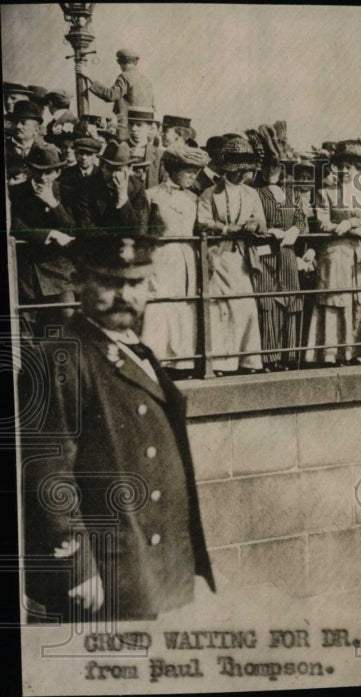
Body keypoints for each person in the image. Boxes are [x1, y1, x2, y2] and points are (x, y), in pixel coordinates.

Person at [20, 224, 215, 622]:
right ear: (78, 281)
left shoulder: (135, 349)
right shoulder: (60, 355)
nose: (125, 295)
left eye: (136, 282)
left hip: (150, 557)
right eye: (109, 282)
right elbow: (48, 472)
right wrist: (76, 566)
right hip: (107, 567)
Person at [195, 134, 266, 374]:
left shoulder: (251, 194)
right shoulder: (209, 194)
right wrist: (227, 229)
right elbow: (202, 222)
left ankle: (247, 360)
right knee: (221, 308)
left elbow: (261, 222)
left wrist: (254, 225)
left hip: (242, 258)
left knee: (244, 305)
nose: (241, 174)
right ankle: (223, 362)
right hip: (220, 257)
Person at [304, 139, 361, 366]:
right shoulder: (325, 193)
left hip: (355, 255)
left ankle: (350, 353)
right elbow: (322, 223)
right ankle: (329, 354)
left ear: (358, 170)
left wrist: (352, 222)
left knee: (356, 301)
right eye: (342, 166)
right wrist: (346, 228)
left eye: (350, 167)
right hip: (334, 253)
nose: (345, 171)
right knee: (334, 302)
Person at [141, 144, 209, 378]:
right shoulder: (152, 196)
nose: (193, 176)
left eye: (196, 172)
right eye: (189, 171)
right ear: (174, 169)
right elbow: (142, 232)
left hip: (186, 259)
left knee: (184, 308)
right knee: (160, 308)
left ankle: (183, 363)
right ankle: (157, 361)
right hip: (161, 259)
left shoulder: (194, 198)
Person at [247, 126, 305, 370]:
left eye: (277, 167)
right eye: (269, 167)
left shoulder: (290, 194)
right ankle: (269, 358)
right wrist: (271, 232)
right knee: (268, 304)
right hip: (265, 254)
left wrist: (295, 230)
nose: (273, 171)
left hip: (288, 254)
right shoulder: (255, 193)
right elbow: (251, 221)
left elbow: (301, 218)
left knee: (291, 301)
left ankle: (288, 355)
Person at [8, 144, 77, 335]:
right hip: (27, 274)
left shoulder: (66, 193)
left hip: (59, 273)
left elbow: (72, 229)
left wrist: (54, 204)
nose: (42, 178)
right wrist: (50, 234)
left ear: (58, 172)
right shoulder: (16, 193)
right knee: (28, 330)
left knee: (68, 319)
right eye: (37, 171)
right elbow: (15, 225)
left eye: (48, 173)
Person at [77, 48, 154, 140]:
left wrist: (89, 76)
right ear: (135, 62)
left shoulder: (125, 76)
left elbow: (111, 95)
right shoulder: (146, 81)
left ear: (119, 62)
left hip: (127, 129)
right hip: (143, 130)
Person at [76, 141, 149, 236]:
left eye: (119, 170)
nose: (114, 175)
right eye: (109, 169)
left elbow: (140, 231)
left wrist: (123, 198)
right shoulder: (88, 185)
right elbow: (86, 226)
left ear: (129, 169)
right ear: (102, 166)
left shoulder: (137, 187)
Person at [57, 136, 103, 221]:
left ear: (95, 156)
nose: (83, 157)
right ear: (75, 153)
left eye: (88, 154)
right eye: (80, 153)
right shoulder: (66, 174)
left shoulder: (101, 175)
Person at [5, 100, 45, 185]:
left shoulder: (45, 150)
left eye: (23, 123)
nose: (18, 126)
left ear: (36, 129)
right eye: (15, 122)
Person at [125, 106, 162, 188]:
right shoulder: (116, 147)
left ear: (150, 127)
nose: (134, 129)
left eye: (139, 125)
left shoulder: (159, 155)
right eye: (131, 124)